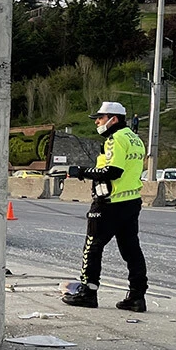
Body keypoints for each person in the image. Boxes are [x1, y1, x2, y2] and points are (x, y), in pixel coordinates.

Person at [61, 102, 148, 312]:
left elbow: (113, 171)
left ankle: (88, 293)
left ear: (113, 119)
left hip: (109, 203)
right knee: (131, 250)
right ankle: (137, 296)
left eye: (100, 118)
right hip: (131, 202)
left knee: (92, 246)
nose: (97, 122)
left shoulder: (115, 139)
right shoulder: (135, 139)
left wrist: (81, 172)